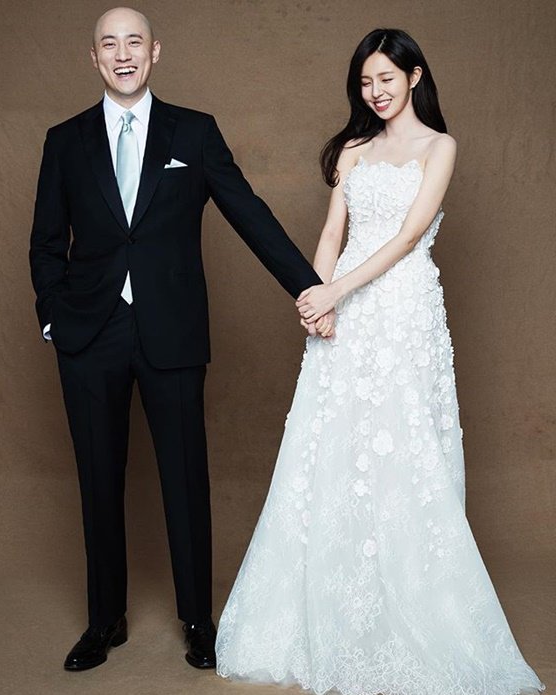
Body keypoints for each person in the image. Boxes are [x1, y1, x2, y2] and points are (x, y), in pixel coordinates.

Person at [215, 28, 545, 695]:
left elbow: (409, 234)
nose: (375, 92)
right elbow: (332, 231)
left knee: (404, 449)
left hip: (403, 312)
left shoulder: (440, 147)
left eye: (386, 79)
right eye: (365, 83)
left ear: (415, 76)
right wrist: (315, 298)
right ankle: (336, 611)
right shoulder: (353, 150)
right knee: (333, 447)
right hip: (345, 311)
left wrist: (336, 289)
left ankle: (411, 614)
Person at [29, 6, 331, 673]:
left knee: (185, 478)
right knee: (98, 478)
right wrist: (54, 317)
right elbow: (46, 241)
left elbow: (249, 213)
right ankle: (104, 620)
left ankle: (198, 619)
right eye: (110, 44)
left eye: (134, 41)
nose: (123, 54)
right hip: (89, 335)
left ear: (155, 51)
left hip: (172, 331)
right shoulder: (65, 140)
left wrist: (313, 290)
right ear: (94, 57)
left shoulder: (193, 131)